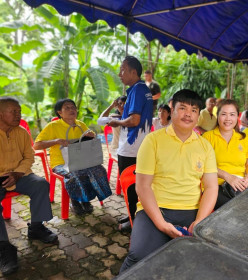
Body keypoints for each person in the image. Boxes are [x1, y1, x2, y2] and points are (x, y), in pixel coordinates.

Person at [119, 89, 218, 273]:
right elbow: (143, 187)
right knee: (139, 255)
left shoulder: (205, 146)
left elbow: (212, 187)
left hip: (192, 210)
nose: (188, 114)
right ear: (171, 109)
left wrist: (199, 221)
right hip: (155, 209)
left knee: (200, 260)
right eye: (183, 108)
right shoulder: (153, 141)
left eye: (194, 110)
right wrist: (161, 224)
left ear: (198, 115)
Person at [0, 97, 58, 275]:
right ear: (1, 114)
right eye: (13, 111)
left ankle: (36, 227)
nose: (18, 115)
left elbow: (29, 157)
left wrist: (17, 173)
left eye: (19, 111)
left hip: (20, 174)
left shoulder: (22, 132)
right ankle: (3, 248)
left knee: (40, 184)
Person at [34, 99, 112, 216]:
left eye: (73, 107)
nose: (71, 110)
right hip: (61, 163)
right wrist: (56, 141)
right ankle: (75, 201)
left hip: (82, 159)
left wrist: (91, 135)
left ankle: (86, 199)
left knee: (98, 169)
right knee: (75, 173)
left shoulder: (80, 124)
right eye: (67, 108)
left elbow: (90, 138)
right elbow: (36, 145)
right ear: (59, 112)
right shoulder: (53, 126)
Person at [108, 56, 153, 232]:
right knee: (136, 184)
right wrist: (122, 114)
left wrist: (116, 122)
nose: (120, 74)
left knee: (131, 184)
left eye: (123, 70)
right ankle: (132, 214)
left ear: (134, 72)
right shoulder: (142, 89)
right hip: (140, 146)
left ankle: (134, 221)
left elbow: (134, 120)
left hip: (132, 148)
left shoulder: (136, 90)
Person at [203, 99, 248, 210]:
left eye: (232, 114)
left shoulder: (243, 138)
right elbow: (202, 165)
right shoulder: (207, 137)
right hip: (214, 186)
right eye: (224, 114)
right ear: (217, 116)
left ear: (237, 117)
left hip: (240, 185)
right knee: (236, 208)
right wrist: (227, 177)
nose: (228, 119)